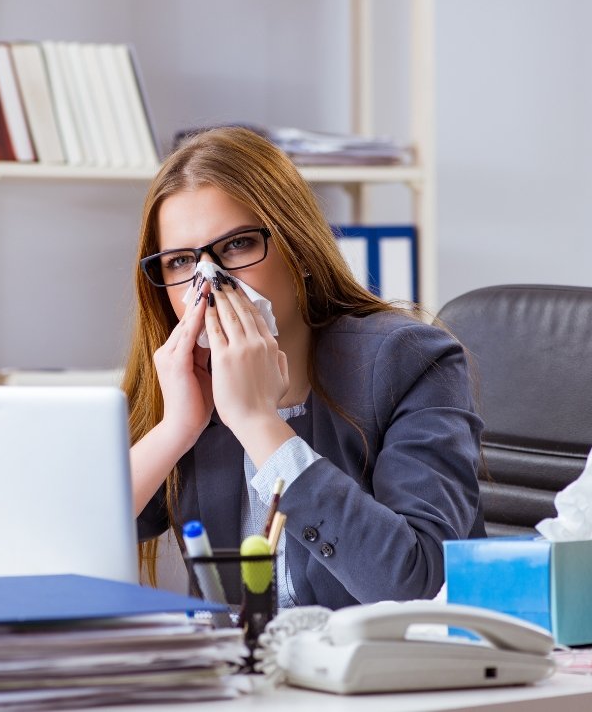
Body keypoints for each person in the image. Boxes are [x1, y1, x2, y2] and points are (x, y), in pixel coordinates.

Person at [124, 126, 484, 610]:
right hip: (242, 658)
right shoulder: (183, 382)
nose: (208, 281)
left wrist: (258, 422)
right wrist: (177, 428)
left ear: (299, 248)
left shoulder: (411, 360)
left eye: (237, 245)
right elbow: (69, 535)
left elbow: (414, 585)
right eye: (181, 261)